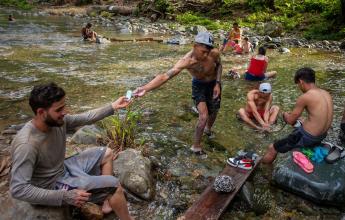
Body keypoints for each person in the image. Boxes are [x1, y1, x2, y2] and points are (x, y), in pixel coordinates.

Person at [10, 83, 133, 220]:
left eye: (64, 106)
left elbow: (86, 117)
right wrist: (65, 196)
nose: (65, 112)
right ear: (40, 112)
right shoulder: (26, 144)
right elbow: (18, 189)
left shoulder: (58, 121)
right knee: (114, 184)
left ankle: (106, 202)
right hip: (50, 185)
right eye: (59, 109)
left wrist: (113, 106)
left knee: (107, 153)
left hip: (63, 168)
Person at [133, 32, 222, 155]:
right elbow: (165, 76)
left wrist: (218, 82)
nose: (205, 55)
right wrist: (145, 88)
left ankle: (208, 129)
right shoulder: (186, 61)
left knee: (215, 109)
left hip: (213, 84)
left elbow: (219, 66)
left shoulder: (214, 53)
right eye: (203, 51)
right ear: (195, 46)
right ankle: (196, 146)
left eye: (208, 52)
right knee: (203, 116)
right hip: (199, 85)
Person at [262, 67, 333, 164]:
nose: (299, 87)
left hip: (308, 137)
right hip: (322, 135)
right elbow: (318, 117)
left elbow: (290, 121)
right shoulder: (326, 93)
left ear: (301, 81)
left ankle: (264, 171)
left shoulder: (305, 97)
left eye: (298, 85)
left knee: (272, 148)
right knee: (300, 122)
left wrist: (285, 114)